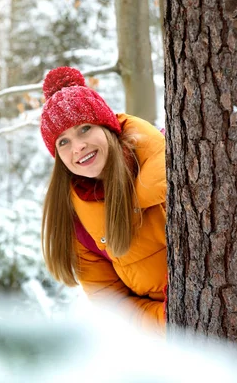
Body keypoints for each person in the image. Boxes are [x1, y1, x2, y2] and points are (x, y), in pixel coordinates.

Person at [39, 66, 167, 335]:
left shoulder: (177, 164)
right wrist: (173, 319)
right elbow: (114, 309)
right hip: (173, 341)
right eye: (63, 142)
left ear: (108, 127)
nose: (78, 147)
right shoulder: (79, 224)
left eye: (84, 129)